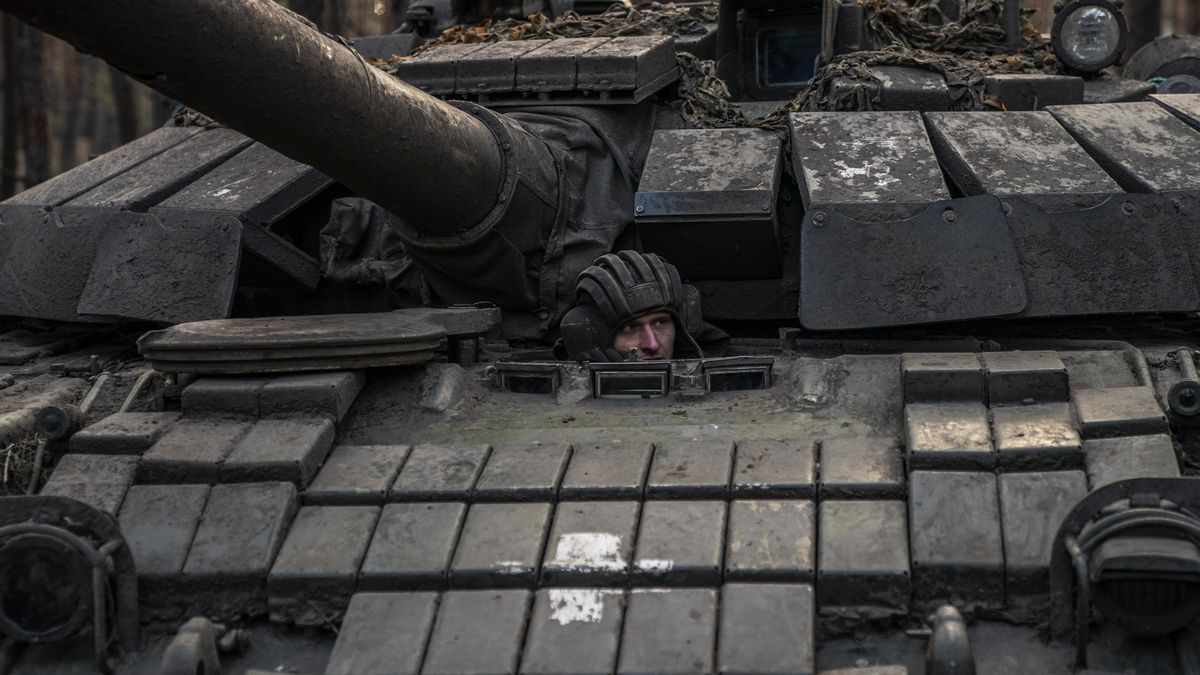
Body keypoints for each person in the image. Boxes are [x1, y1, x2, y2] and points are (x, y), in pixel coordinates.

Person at [559, 250, 705, 362]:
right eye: (629, 328)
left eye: (660, 323)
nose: (652, 345)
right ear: (596, 337)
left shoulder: (721, 383)